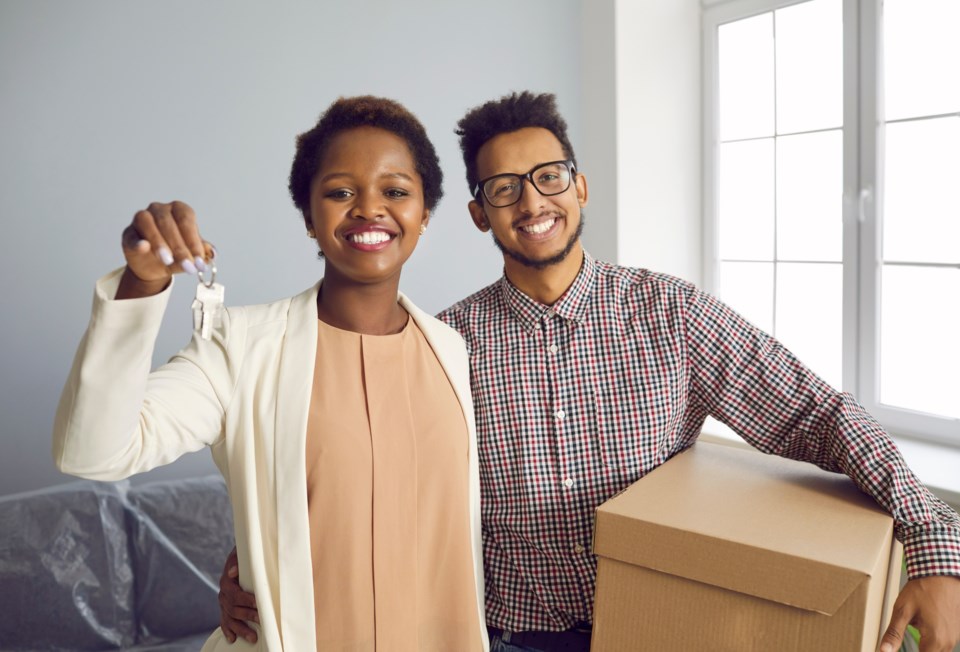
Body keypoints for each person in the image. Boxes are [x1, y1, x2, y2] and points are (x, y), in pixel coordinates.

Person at [218, 91, 960, 652]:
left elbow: (814, 414)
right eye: (503, 189)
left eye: (548, 177)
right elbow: (355, 470)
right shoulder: (442, 345)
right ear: (480, 214)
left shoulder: (672, 314)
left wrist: (932, 547)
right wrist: (254, 561)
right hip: (512, 637)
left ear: (580, 187)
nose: (531, 202)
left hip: (666, 626)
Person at [52, 96, 489, 652]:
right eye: (339, 192)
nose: (368, 209)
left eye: (396, 191)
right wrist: (143, 283)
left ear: (424, 214)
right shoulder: (241, 347)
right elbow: (93, 452)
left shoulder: (452, 350)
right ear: (309, 218)